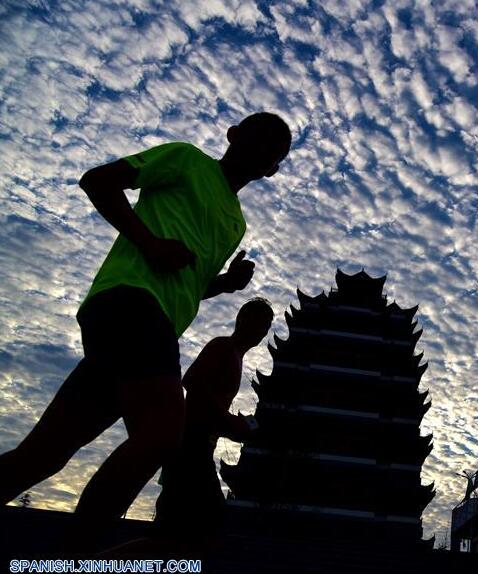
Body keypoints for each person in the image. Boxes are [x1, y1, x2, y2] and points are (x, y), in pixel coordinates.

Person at [0, 113, 292, 528]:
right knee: (162, 434)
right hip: (130, 301)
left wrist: (224, 284)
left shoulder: (235, 224)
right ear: (233, 135)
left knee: (44, 454)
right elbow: (97, 181)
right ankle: (77, 554)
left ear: (272, 170)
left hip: (149, 329)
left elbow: (189, 282)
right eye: (258, 137)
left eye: (273, 151)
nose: (263, 150)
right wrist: (149, 243)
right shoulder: (187, 159)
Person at [154, 297, 273, 545]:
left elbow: (210, 406)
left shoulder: (237, 357)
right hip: (189, 441)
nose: (260, 332)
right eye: (258, 323)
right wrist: (229, 421)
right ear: (241, 320)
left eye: (266, 327)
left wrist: (233, 428)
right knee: (203, 521)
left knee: (185, 523)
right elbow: (192, 382)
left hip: (202, 443)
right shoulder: (223, 347)